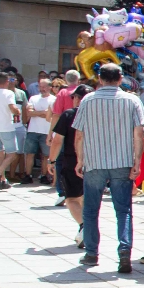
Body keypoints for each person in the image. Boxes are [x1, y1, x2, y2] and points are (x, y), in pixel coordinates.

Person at [73, 64, 144, 272]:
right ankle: (124, 251)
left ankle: (91, 253)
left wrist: (80, 159)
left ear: (100, 78)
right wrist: (136, 161)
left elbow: (79, 134)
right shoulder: (132, 100)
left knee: (90, 209)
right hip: (122, 161)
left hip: (94, 161)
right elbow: (139, 134)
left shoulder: (88, 100)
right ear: (120, 78)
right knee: (123, 210)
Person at [48, 85, 90, 248]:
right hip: (95, 161)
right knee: (87, 198)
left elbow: (57, 140)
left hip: (72, 160)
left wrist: (51, 160)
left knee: (71, 198)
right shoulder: (98, 114)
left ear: (78, 99)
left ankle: (84, 227)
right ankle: (87, 227)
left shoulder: (69, 114)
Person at [25, 76, 56, 184]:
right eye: (40, 86)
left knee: (45, 155)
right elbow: (29, 113)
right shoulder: (33, 98)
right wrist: (43, 112)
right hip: (33, 130)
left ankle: (44, 176)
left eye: (44, 87)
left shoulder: (53, 99)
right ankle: (27, 175)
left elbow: (50, 115)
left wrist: (36, 112)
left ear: (50, 87)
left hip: (46, 131)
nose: (41, 89)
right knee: (30, 153)